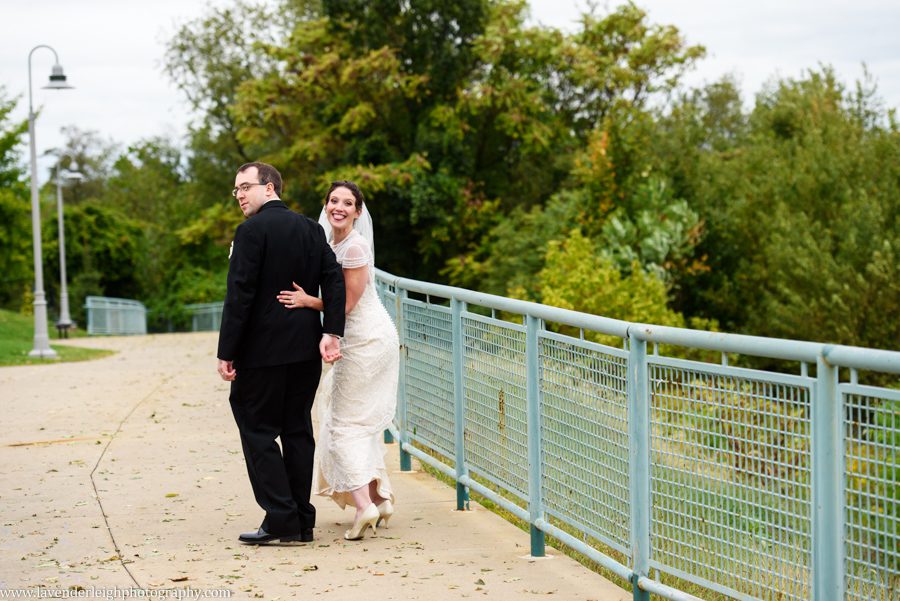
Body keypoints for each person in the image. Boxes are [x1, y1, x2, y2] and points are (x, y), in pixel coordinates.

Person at [217, 162, 346, 545]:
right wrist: (331, 331)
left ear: (269, 187)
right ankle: (302, 520)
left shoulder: (251, 231)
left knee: (256, 429)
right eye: (236, 190)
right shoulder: (311, 228)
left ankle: (281, 518)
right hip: (305, 347)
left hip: (262, 351)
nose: (239, 195)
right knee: (296, 430)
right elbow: (333, 279)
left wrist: (227, 351)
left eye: (245, 187)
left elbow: (239, 295)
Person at [276, 181, 399, 541]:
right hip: (354, 338)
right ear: (326, 205)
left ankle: (365, 506)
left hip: (367, 340)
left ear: (358, 212)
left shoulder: (356, 247)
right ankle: (381, 497)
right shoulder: (329, 242)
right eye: (333, 201)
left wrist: (307, 302)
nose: (339, 207)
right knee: (350, 419)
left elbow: (346, 304)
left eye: (348, 203)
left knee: (341, 424)